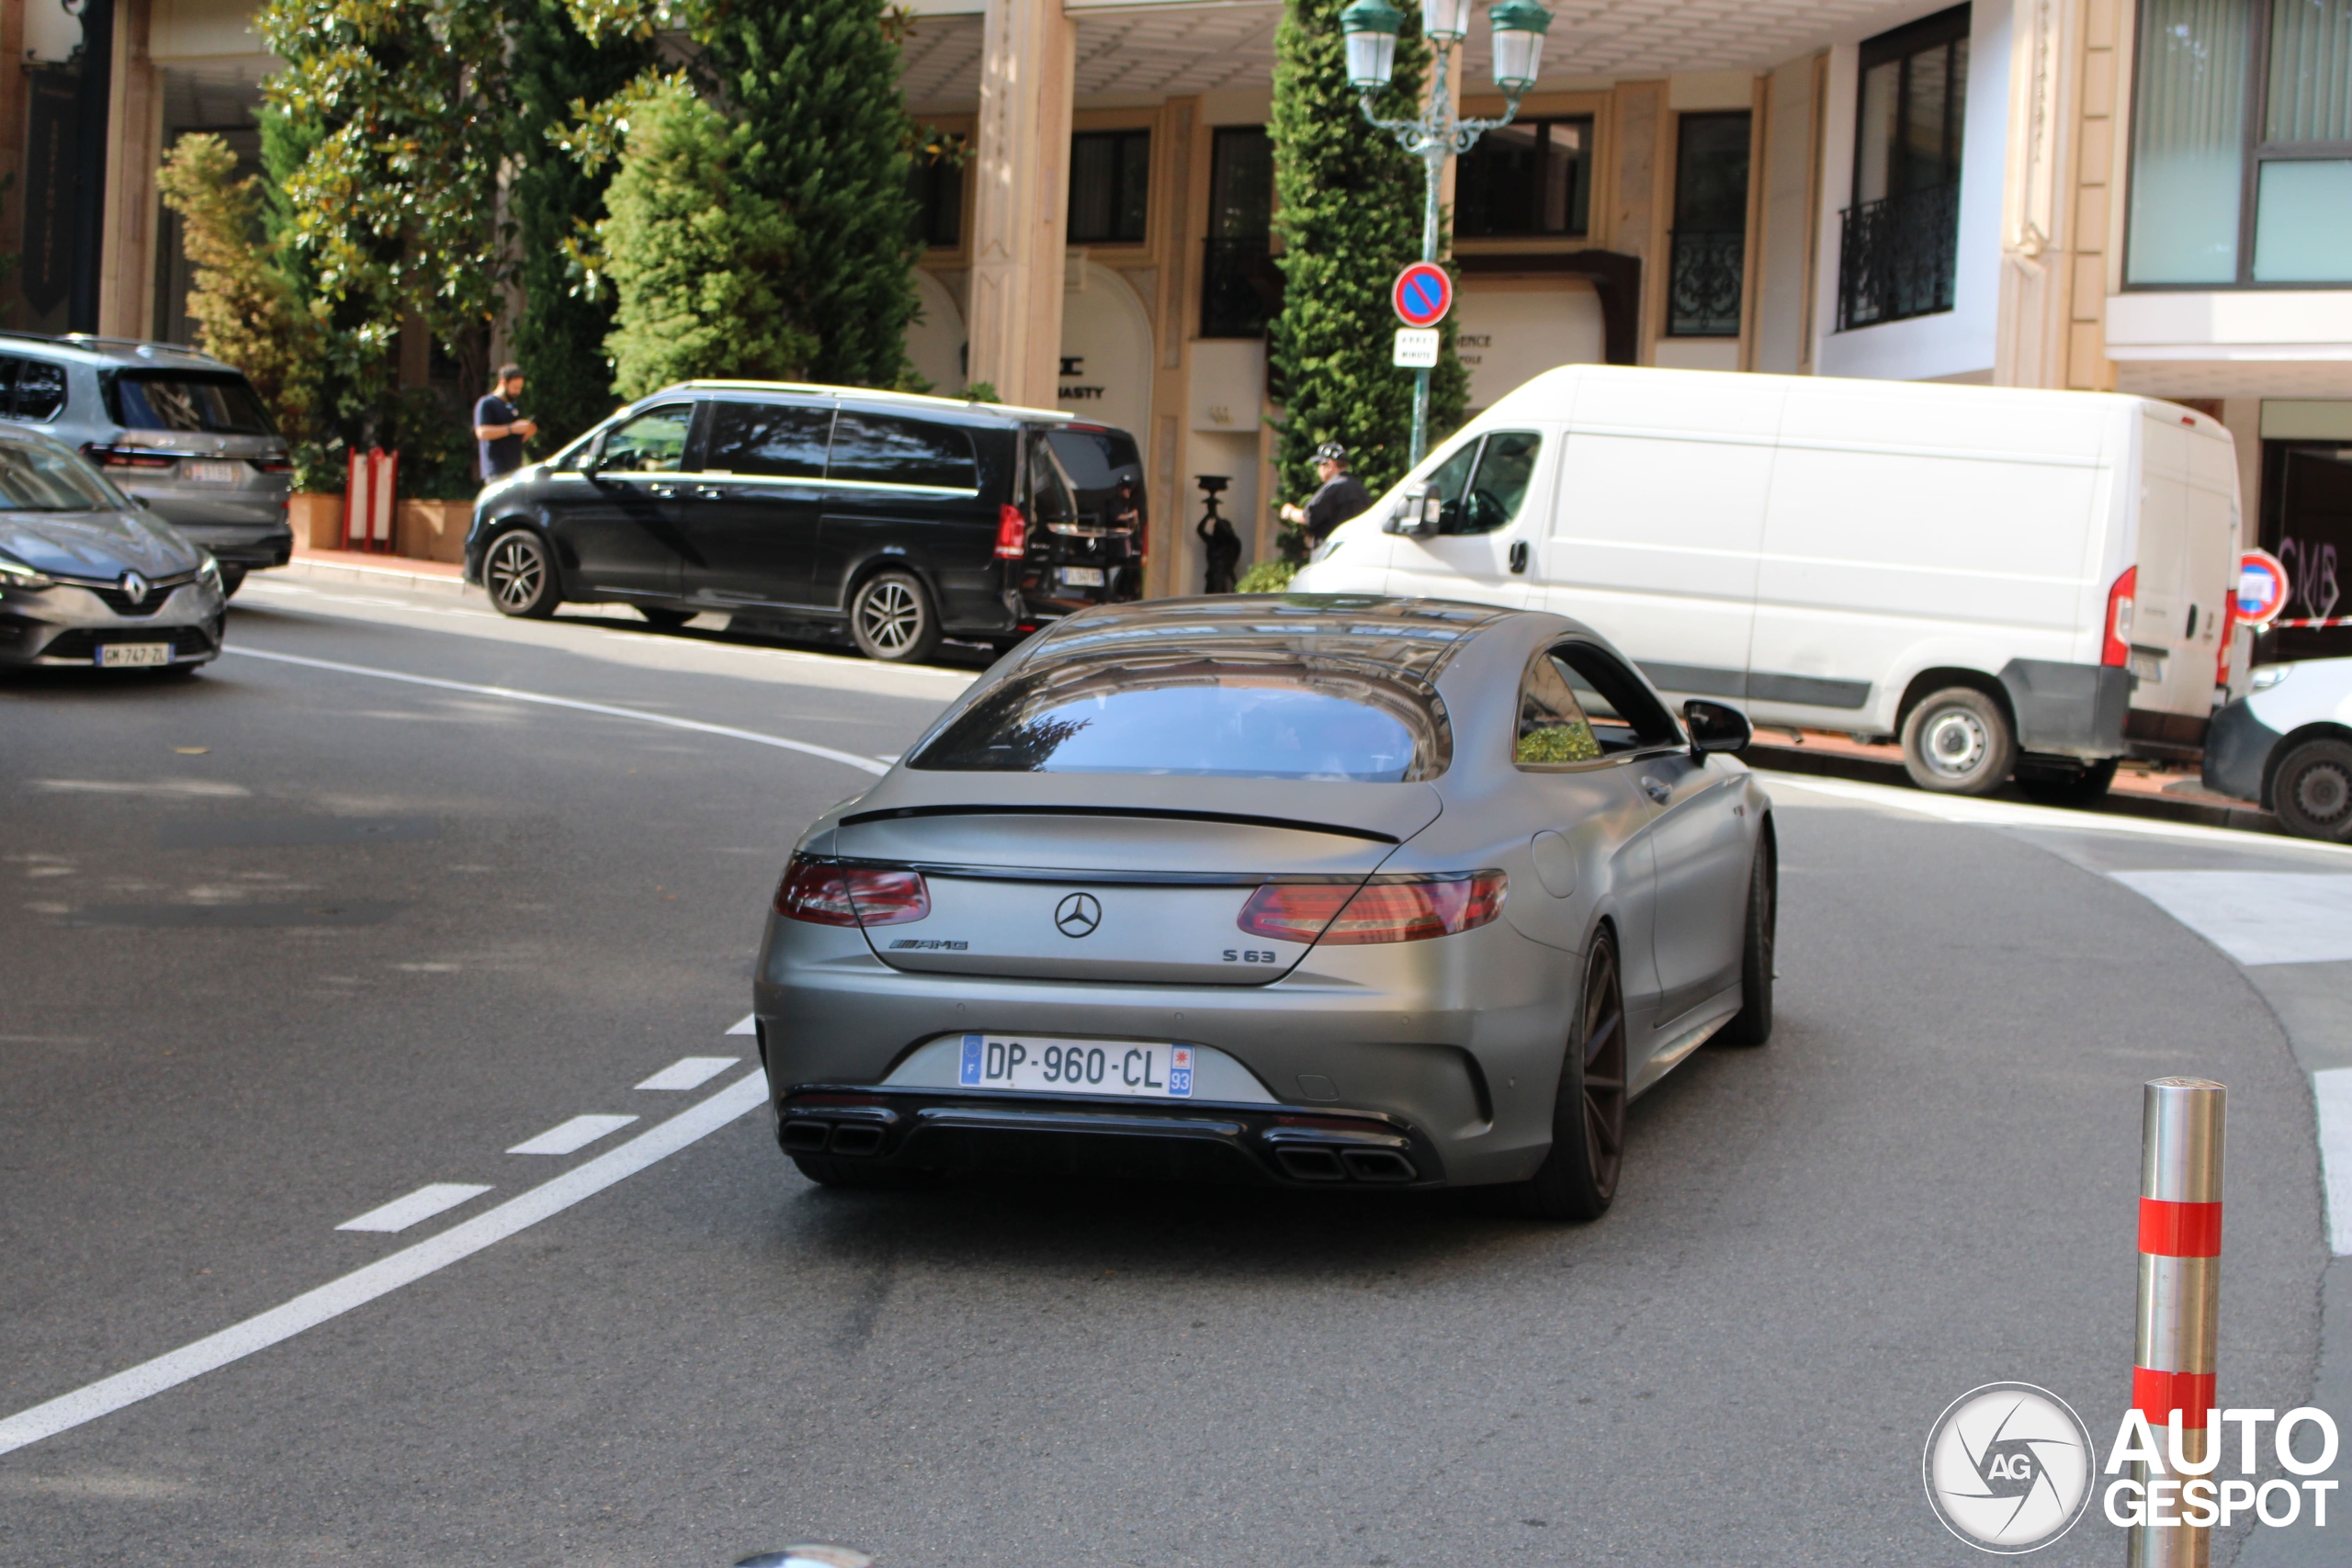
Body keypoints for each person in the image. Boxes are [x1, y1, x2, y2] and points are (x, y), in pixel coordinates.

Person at [1279, 441, 1373, 548]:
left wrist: (1290, 511)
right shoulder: (1360, 488)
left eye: (1319, 464)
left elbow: (1308, 516)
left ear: (1330, 464)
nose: (1318, 469)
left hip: (1331, 553)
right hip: (1355, 551)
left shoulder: (1333, 487)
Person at [473, 365, 537, 481]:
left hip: (515, 468)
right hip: (497, 469)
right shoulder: (487, 403)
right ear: (503, 382)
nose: (517, 392)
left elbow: (518, 437)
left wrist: (528, 430)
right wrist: (511, 428)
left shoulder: (514, 406)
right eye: (515, 387)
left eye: (520, 388)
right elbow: (482, 432)